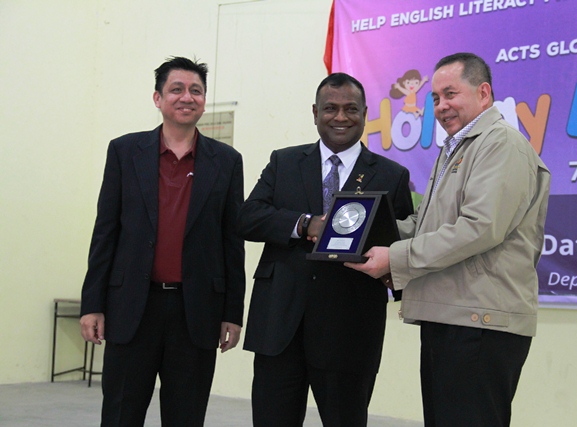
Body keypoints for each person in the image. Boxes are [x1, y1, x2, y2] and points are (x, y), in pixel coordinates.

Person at [346, 52, 551, 426]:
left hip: (481, 325)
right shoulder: (458, 147)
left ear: (484, 93)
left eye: (451, 94)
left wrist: (394, 258)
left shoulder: (500, 144)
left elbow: (478, 228)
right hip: (453, 317)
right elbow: (429, 226)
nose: (442, 106)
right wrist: (353, 231)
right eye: (436, 98)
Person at [237, 72, 413, 427]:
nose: (341, 117)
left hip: (350, 332)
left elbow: (404, 245)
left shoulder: (391, 175)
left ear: (365, 113)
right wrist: (304, 224)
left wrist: (393, 277)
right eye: (330, 108)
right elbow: (248, 218)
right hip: (280, 327)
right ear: (315, 112)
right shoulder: (283, 162)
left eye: (351, 109)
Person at [79, 56, 245, 426]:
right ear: (158, 98)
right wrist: (93, 303)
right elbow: (105, 231)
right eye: (177, 89)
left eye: (196, 90)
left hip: (196, 311)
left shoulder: (227, 161)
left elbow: (231, 241)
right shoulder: (124, 152)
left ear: (204, 99)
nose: (187, 97)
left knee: (186, 417)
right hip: (132, 307)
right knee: (121, 413)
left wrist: (232, 312)